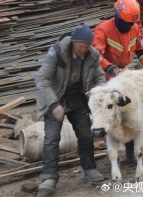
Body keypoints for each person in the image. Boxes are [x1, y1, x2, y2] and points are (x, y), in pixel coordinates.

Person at [35, 25, 105, 196]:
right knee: (52, 138)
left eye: (87, 47)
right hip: (55, 95)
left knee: (86, 133)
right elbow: (41, 78)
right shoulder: (57, 52)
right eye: (81, 46)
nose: (83, 50)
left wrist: (100, 93)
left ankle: (89, 167)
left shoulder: (92, 55)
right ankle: (49, 177)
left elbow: (100, 76)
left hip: (76, 96)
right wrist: (54, 105)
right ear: (74, 42)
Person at [93, 0, 143, 163]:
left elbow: (142, 50)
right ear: (117, 16)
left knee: (130, 112)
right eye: (126, 23)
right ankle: (113, 154)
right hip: (105, 76)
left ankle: (130, 154)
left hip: (123, 74)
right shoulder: (103, 30)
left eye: (131, 23)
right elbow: (95, 55)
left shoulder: (134, 28)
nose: (128, 26)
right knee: (110, 114)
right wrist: (108, 66)